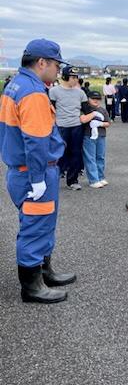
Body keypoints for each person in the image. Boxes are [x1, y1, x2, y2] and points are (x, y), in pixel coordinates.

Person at [0, 38, 76, 303]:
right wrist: (37, 178)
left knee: (43, 224)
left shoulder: (16, 85)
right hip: (35, 171)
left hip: (25, 169)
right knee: (35, 227)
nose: (58, 70)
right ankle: (32, 287)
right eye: (56, 65)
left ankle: (44, 272)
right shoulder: (32, 92)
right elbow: (35, 140)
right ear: (42, 62)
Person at [49, 65, 102, 190]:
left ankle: (72, 180)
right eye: (73, 77)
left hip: (77, 127)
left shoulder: (80, 93)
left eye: (76, 77)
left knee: (76, 153)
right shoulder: (54, 91)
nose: (75, 80)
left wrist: (98, 115)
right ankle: (53, 178)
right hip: (61, 126)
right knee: (59, 153)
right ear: (65, 77)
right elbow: (50, 109)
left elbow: (87, 109)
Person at [82, 91, 111, 188]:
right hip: (88, 135)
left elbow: (108, 123)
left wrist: (100, 124)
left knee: (100, 157)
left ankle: (100, 177)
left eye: (98, 99)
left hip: (101, 136)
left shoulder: (102, 110)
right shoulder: (85, 109)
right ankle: (93, 180)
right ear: (88, 99)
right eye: (93, 98)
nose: (96, 100)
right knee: (90, 158)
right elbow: (82, 120)